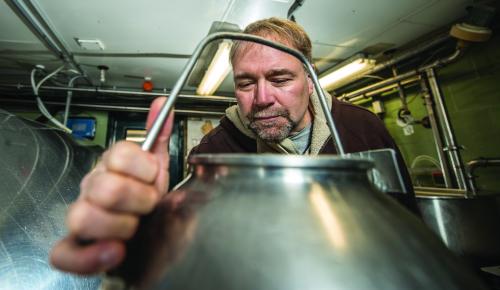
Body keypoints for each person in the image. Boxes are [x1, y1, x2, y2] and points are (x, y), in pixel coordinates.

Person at [50, 17, 418, 274]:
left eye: (280, 78)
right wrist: (147, 229)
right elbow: (193, 257)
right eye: (245, 83)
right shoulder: (214, 152)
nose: (261, 98)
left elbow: (408, 224)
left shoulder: (363, 129)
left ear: (309, 79)